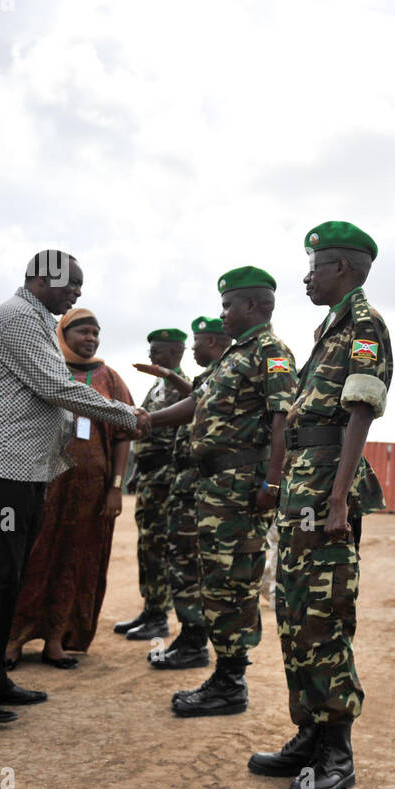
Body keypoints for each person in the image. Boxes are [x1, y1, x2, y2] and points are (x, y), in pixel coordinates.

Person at [0, 251, 149, 726]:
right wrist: (128, 415)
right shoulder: (18, 318)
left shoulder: (34, 320)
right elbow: (56, 387)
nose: (77, 294)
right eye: (72, 283)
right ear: (40, 277)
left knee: (8, 579)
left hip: (24, 471)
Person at [246, 222, 392, 789]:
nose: (305, 277)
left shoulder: (364, 325)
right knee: (294, 609)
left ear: (342, 268)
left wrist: (337, 498)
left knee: (324, 616)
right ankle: (308, 732)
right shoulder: (328, 330)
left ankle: (337, 749)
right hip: (303, 487)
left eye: (314, 266)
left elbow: (361, 411)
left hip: (327, 485)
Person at [144, 271, 296, 714]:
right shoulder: (232, 358)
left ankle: (231, 683)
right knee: (214, 580)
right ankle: (223, 671)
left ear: (252, 307)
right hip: (213, 487)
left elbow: (283, 416)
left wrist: (273, 481)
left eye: (227, 306)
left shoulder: (271, 352)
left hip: (240, 487)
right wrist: (147, 419)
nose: (222, 314)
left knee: (234, 583)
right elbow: (196, 402)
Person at [3, 308, 133, 668]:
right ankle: (13, 637)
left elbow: (124, 436)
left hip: (91, 493)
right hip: (42, 485)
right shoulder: (45, 370)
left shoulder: (111, 380)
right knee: (33, 556)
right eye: (83, 332)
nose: (90, 339)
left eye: (96, 333)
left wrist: (115, 487)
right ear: (62, 334)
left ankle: (56, 638)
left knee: (76, 560)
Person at [139, 315, 232, 671]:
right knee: (181, 562)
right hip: (185, 482)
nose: (192, 348)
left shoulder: (235, 368)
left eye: (196, 342)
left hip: (206, 485)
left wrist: (148, 419)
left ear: (211, 343)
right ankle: (190, 637)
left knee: (193, 565)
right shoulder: (213, 374)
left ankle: (197, 643)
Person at [117, 327, 188, 641]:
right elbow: (144, 435)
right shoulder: (157, 388)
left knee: (158, 547)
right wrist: (136, 472)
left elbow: (176, 436)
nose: (150, 356)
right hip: (149, 478)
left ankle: (159, 615)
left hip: (165, 480)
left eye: (156, 351)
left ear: (174, 353)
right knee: (147, 546)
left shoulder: (183, 389)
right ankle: (150, 607)